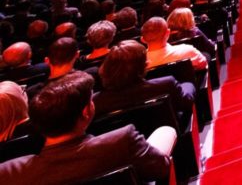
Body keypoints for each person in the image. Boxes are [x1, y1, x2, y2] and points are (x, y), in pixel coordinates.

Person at [0, 71, 175, 184]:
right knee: (166, 131)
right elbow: (159, 168)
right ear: (86, 111)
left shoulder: (8, 173)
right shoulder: (121, 141)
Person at [141, 17, 208, 71]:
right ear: (168, 33)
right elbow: (203, 64)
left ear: (142, 40)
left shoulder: (139, 64)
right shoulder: (187, 50)